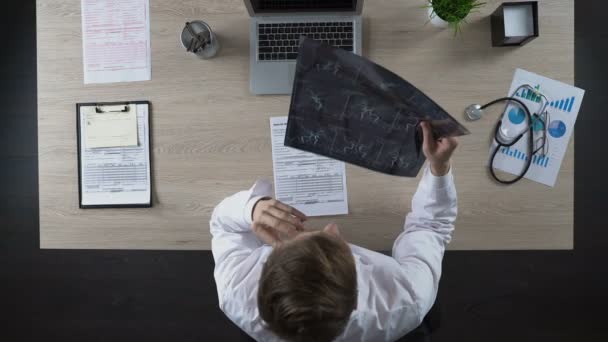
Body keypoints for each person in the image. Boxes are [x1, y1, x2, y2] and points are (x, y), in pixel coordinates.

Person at [210, 122, 459, 342]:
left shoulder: (236, 290)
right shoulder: (408, 299)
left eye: (305, 238)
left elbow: (222, 224)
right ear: (357, 288)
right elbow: (430, 228)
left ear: (269, 264)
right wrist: (440, 166)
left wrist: (250, 208)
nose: (332, 227)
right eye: (338, 245)